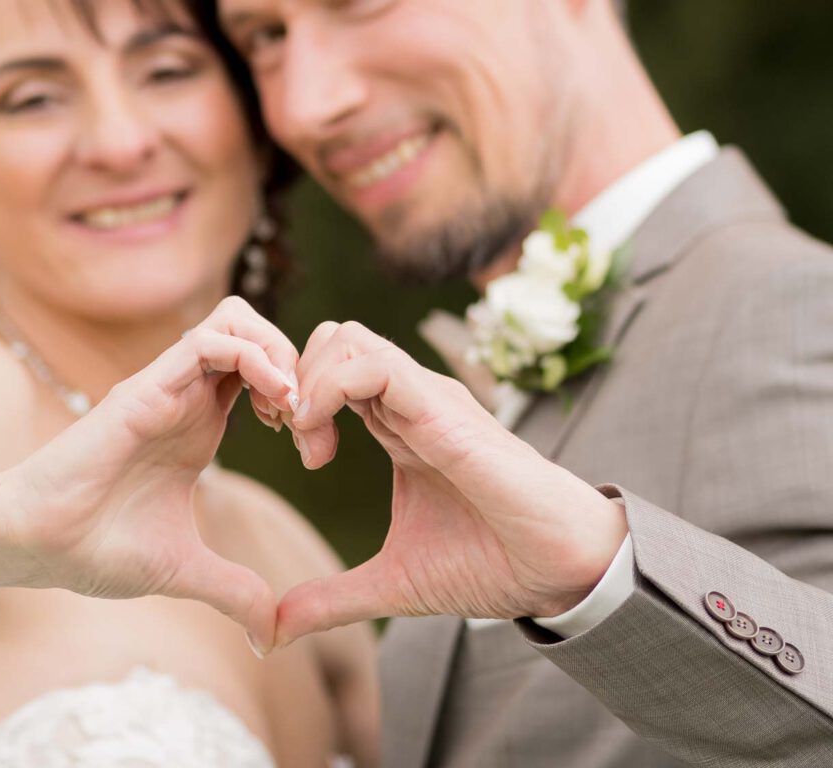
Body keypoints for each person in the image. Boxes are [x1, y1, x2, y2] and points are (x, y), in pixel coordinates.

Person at [211, 0, 833, 765]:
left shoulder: (800, 309)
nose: (305, 106)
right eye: (264, 37)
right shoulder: (475, 390)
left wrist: (602, 574)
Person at [0, 0, 378, 765]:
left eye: (168, 71)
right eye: (33, 98)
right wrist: (7, 522)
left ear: (253, 130)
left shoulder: (283, 545)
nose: (119, 141)